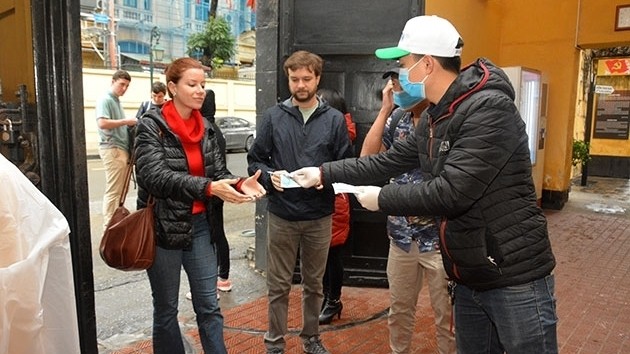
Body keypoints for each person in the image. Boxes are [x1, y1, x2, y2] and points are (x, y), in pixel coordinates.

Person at [291, 15, 558, 354]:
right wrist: (323, 173)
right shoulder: (435, 116)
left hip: (514, 277)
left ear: (427, 64)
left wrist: (383, 198)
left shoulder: (488, 109)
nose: (401, 75)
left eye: (404, 64)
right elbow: (388, 160)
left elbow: (452, 192)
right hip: (469, 273)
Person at [134, 57, 266, 354]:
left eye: (203, 85)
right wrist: (207, 187)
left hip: (200, 227)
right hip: (163, 229)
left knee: (209, 305)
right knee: (166, 308)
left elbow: (217, 173)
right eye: (192, 84)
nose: (199, 91)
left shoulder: (205, 127)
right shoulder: (151, 126)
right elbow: (155, 177)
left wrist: (242, 183)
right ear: (172, 87)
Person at [247, 50, 353, 354]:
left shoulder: (334, 120)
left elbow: (345, 163)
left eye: (307, 78)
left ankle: (310, 339)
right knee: (278, 285)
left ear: (318, 79)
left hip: (320, 215)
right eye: (295, 79)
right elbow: (255, 159)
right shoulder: (273, 117)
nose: (301, 84)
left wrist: (325, 176)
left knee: (314, 285)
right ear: (288, 79)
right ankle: (274, 344)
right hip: (282, 214)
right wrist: (268, 177)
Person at [360, 69, 455, 353]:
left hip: (439, 240)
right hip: (401, 238)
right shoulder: (397, 120)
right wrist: (384, 110)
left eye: (404, 85)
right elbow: (367, 159)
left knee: (447, 317)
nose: (399, 90)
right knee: (399, 312)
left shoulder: (447, 121)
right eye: (396, 86)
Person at [185, 89, 232, 301]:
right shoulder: (214, 128)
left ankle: (213, 283)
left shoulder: (204, 129)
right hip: (213, 190)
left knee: (211, 237)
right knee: (217, 233)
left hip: (208, 193)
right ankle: (222, 278)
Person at [315, 88, 356, 325]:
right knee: (323, 255)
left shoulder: (339, 130)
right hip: (322, 198)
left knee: (332, 255)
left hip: (335, 199)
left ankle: (333, 300)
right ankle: (327, 298)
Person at [96, 69, 137, 229]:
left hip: (120, 148)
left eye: (127, 85)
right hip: (112, 147)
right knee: (114, 190)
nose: (124, 88)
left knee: (120, 189)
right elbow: (102, 123)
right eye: (122, 84)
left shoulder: (115, 101)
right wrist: (126, 121)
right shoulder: (105, 99)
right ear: (113, 82)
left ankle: (115, 222)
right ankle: (109, 225)